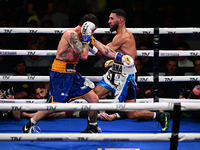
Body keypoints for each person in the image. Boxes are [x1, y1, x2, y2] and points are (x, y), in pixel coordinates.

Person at [22, 13, 133, 134]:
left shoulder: (86, 37)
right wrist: (86, 37)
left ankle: (92, 127)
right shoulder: (71, 35)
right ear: (87, 26)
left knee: (94, 99)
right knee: (54, 105)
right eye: (92, 30)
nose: (92, 34)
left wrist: (122, 57)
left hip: (73, 73)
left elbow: (104, 49)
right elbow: (84, 55)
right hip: (61, 73)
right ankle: (29, 124)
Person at [91, 9, 170, 132]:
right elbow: (123, 54)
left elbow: (104, 51)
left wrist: (91, 39)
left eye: (112, 19)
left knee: (132, 113)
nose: (109, 21)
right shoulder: (121, 36)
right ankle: (92, 126)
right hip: (114, 72)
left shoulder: (123, 36)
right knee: (94, 96)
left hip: (125, 77)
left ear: (120, 20)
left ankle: (159, 115)